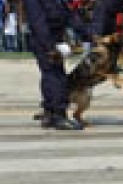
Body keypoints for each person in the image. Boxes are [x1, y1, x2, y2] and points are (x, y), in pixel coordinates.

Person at [24, 0, 86, 130]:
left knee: (51, 75)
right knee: (55, 77)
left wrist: (88, 34)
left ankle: (50, 112)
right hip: (44, 41)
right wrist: (50, 47)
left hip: (56, 39)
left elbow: (68, 15)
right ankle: (58, 115)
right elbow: (38, 22)